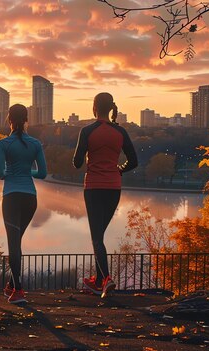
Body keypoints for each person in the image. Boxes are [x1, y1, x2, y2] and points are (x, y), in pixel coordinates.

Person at [73, 92, 138, 298]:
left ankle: (107, 279)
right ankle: (99, 281)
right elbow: (133, 161)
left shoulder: (87, 131)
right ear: (111, 108)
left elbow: (76, 163)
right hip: (113, 187)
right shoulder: (121, 132)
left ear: (94, 108)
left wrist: (85, 153)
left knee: (96, 238)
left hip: (93, 187)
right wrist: (119, 169)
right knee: (99, 235)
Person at [0, 103, 47, 304]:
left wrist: (13, 172)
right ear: (26, 120)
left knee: (13, 244)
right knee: (16, 242)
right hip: (30, 199)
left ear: (9, 119)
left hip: (11, 198)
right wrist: (27, 172)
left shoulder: (4, 144)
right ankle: (10, 285)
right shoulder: (35, 144)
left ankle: (18, 290)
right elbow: (41, 173)